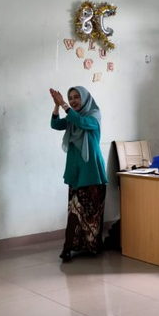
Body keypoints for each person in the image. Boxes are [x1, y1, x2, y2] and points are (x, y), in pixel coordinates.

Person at [50, 85, 108, 262]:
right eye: (70, 97)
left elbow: (82, 122)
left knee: (92, 212)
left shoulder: (94, 115)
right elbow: (55, 124)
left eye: (77, 97)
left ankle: (92, 246)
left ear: (85, 98)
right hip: (76, 170)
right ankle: (68, 247)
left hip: (92, 170)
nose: (73, 100)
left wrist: (64, 105)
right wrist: (57, 106)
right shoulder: (72, 118)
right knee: (74, 211)